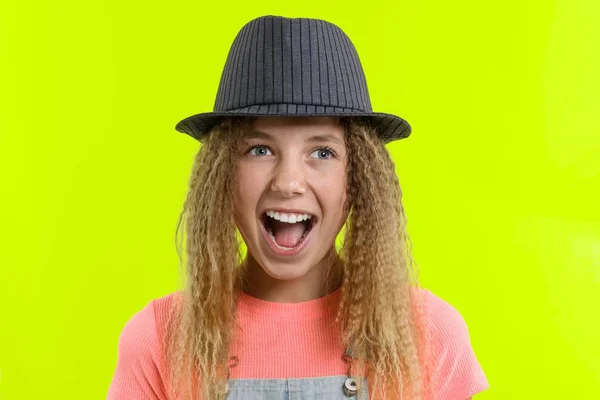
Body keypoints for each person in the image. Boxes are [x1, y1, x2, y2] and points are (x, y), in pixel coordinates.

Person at [107, 15, 490, 400]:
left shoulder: (429, 333)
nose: (288, 182)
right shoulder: (158, 339)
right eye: (260, 150)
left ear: (358, 178)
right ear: (220, 174)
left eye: (322, 152)